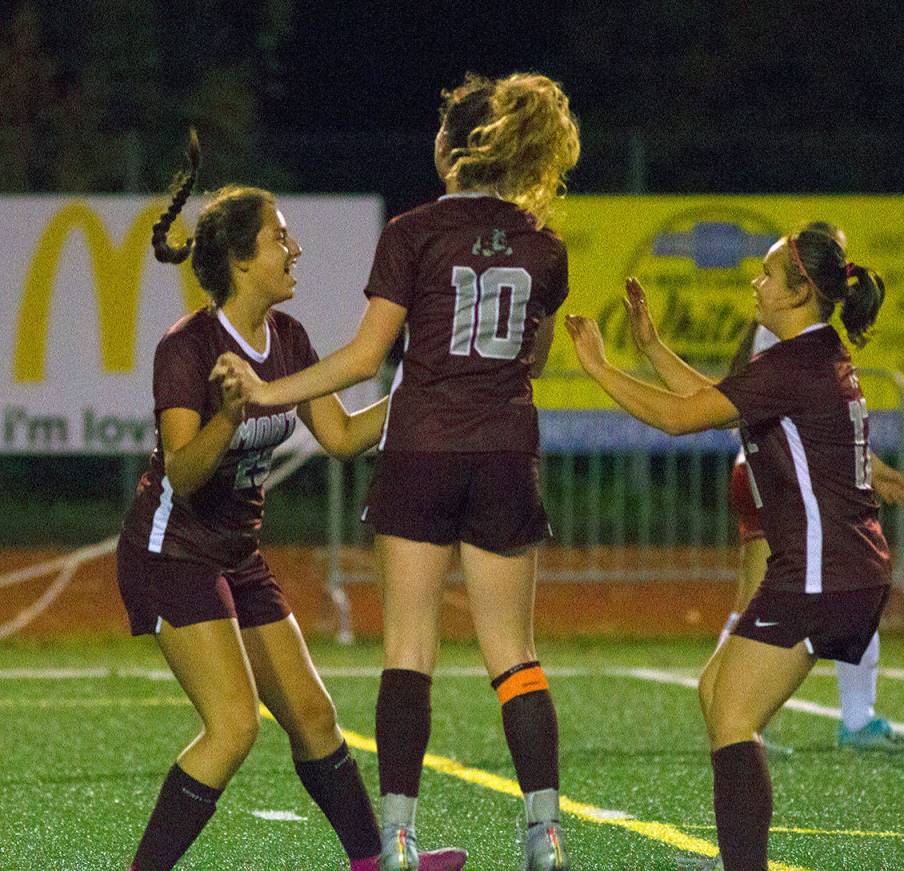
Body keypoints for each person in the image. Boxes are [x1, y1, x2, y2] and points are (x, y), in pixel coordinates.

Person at [213, 72, 581, 871]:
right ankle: (544, 835)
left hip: (421, 450)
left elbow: (366, 355)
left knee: (408, 647)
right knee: (513, 651)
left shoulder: (414, 233)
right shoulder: (545, 246)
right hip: (505, 452)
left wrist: (269, 389)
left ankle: (399, 838)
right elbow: (535, 359)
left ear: (453, 147)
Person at [117, 132, 465, 871]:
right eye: (280, 237)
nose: (294, 249)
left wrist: (426, 395)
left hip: (235, 555)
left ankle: (374, 862)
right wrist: (232, 414)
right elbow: (181, 472)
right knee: (234, 725)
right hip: (170, 551)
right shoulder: (186, 348)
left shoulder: (290, 338)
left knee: (312, 716)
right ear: (243, 259)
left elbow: (339, 435)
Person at [565, 225, 894, 870]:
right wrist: (653, 346)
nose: (757, 281)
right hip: (831, 564)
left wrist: (600, 367)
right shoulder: (811, 355)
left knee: (733, 715)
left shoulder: (795, 364)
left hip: (823, 571)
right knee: (718, 692)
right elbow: (715, 402)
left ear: (800, 292)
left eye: (769, 273)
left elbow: (679, 418)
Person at [722, 319, 904, 753]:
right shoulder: (797, 341)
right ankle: (738, 716)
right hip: (780, 474)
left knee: (834, 587)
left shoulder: (797, 338)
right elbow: (817, 430)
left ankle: (740, 715)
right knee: (846, 583)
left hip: (775, 471)